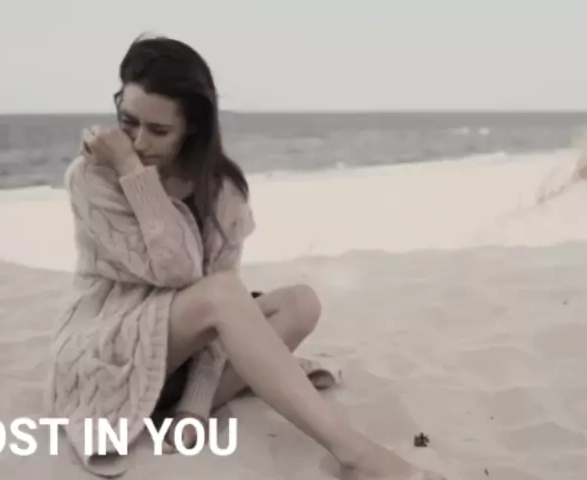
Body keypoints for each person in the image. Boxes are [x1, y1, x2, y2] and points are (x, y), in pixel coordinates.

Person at [45, 33, 446, 480]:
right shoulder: (93, 177)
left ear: (192, 128)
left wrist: (196, 407)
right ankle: (356, 454)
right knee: (221, 294)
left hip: (183, 361)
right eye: (128, 121)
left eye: (158, 130)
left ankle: (181, 410)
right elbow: (178, 271)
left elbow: (217, 284)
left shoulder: (222, 190)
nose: (138, 142)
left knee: (300, 302)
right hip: (111, 351)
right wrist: (132, 173)